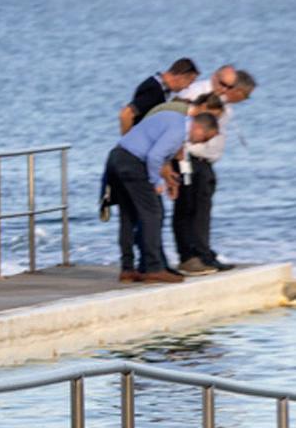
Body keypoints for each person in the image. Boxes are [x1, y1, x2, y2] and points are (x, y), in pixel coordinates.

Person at [106, 110, 219, 284]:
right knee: (153, 213)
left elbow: (159, 153)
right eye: (204, 139)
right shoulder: (179, 131)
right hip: (133, 162)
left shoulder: (176, 121)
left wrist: (168, 180)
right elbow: (155, 156)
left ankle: (127, 269)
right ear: (198, 128)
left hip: (117, 157)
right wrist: (156, 182)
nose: (200, 143)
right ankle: (153, 268)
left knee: (128, 215)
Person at [172, 67, 256, 275]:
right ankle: (188, 256)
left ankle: (203, 253)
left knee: (202, 210)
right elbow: (178, 121)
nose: (226, 90)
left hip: (205, 162)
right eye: (243, 95)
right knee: (186, 207)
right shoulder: (196, 93)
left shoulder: (225, 106)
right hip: (187, 158)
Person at [118, 57, 200, 135]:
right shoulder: (154, 90)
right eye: (189, 82)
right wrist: (128, 140)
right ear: (181, 77)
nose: (187, 87)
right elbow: (126, 114)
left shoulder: (161, 86)